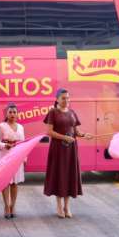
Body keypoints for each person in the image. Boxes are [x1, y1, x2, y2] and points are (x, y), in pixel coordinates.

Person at [44, 88, 93, 218]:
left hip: (71, 150)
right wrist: (64, 137)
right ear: (57, 99)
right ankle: (59, 206)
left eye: (68, 98)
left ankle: (67, 206)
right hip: (58, 149)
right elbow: (49, 132)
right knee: (60, 175)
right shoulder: (52, 112)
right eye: (63, 98)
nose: (66, 100)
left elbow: (76, 131)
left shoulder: (72, 112)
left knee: (69, 175)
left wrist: (84, 135)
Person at [0, 103, 25, 219]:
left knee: (14, 183)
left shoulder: (21, 127)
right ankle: (6, 206)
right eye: (10, 112)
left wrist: (24, 158)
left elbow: (23, 143)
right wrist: (4, 145)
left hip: (17, 157)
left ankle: (13, 205)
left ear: (17, 114)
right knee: (5, 182)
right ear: (6, 114)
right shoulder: (1, 126)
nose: (12, 114)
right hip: (4, 156)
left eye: (14, 112)